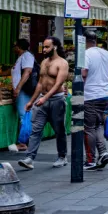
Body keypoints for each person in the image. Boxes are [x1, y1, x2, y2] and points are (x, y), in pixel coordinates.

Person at [18, 37, 69, 170]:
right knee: (36, 130)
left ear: (55, 47)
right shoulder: (44, 62)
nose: (44, 50)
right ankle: (30, 158)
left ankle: (62, 157)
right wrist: (31, 101)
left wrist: (45, 98)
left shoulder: (62, 63)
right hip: (41, 100)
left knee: (59, 130)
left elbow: (58, 84)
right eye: (44, 47)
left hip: (56, 101)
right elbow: (40, 84)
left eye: (47, 47)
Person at [81, 31, 108, 171]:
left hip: (90, 95)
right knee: (98, 125)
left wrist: (79, 93)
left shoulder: (86, 55)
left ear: (84, 41)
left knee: (89, 128)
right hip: (104, 95)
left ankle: (90, 160)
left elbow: (83, 74)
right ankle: (103, 153)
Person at [8, 39, 36, 151]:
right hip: (22, 90)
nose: (13, 48)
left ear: (18, 47)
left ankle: (23, 143)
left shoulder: (27, 56)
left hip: (24, 90)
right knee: (25, 115)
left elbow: (27, 71)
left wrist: (18, 88)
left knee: (24, 116)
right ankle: (26, 141)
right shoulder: (22, 57)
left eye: (14, 46)